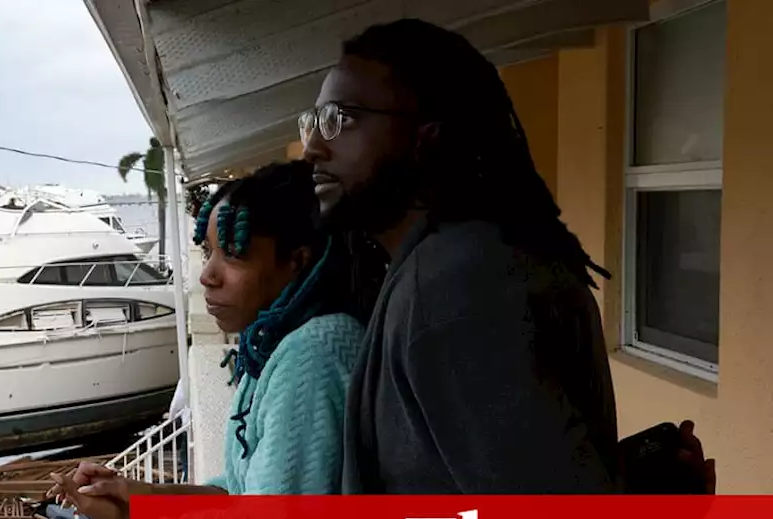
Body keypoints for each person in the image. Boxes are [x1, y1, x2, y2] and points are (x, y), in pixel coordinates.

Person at [301, 18, 713, 493]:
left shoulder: (457, 285)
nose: (313, 147)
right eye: (312, 122)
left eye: (340, 119)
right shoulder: (454, 265)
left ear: (426, 138)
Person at [49, 160, 377, 519]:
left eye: (234, 254)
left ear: (297, 262)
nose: (207, 275)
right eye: (208, 252)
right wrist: (145, 497)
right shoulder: (279, 347)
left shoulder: (312, 355)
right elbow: (239, 494)